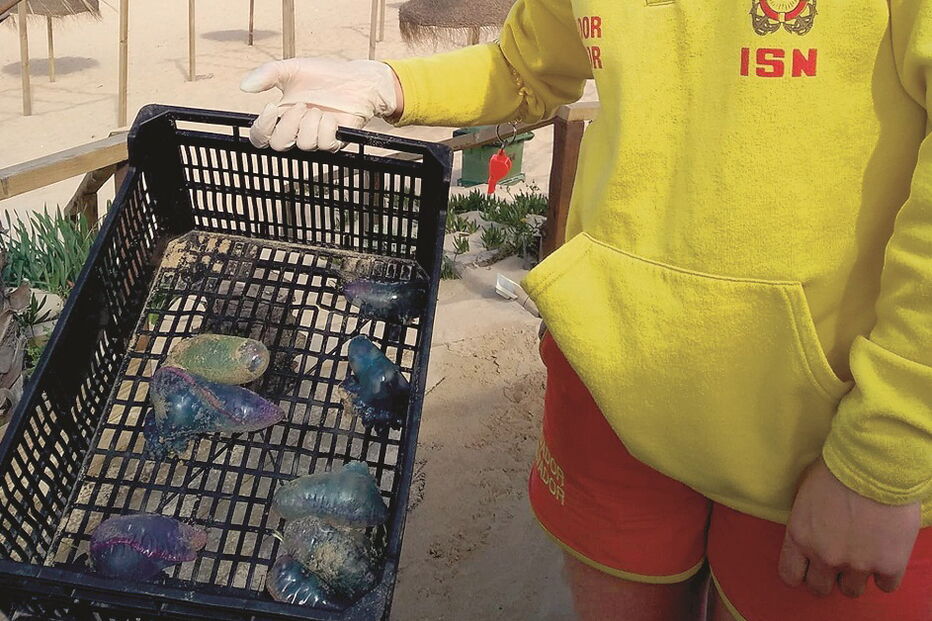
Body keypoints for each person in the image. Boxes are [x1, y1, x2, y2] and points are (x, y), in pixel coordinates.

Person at [240, 1, 932, 619]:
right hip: (609, 371)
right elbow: (524, 67)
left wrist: (879, 460)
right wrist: (389, 83)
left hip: (826, 420)